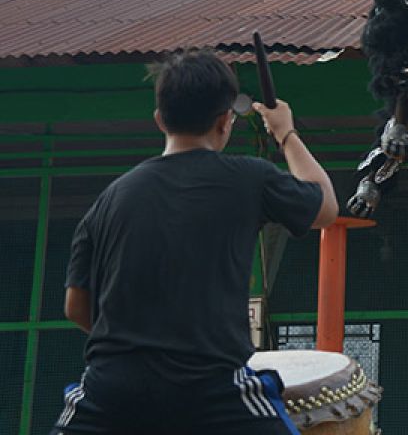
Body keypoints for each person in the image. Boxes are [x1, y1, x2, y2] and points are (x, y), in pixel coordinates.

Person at [52, 49, 339, 434]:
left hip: (112, 389)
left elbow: (76, 306)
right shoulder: (249, 178)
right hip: (212, 388)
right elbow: (326, 207)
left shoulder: (109, 198)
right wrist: (285, 133)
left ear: (159, 120)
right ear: (225, 121)